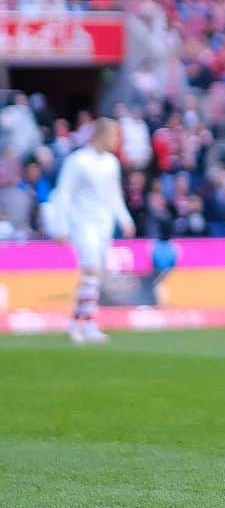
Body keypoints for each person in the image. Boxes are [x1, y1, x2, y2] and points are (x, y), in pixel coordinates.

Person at [48, 117, 135, 345]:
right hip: (82, 223)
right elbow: (63, 193)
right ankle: (85, 323)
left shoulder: (111, 163)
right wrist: (60, 226)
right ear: (100, 135)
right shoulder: (78, 161)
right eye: (113, 135)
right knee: (92, 270)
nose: (116, 140)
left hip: (103, 223)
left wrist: (125, 218)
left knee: (94, 276)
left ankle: (79, 321)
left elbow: (114, 195)